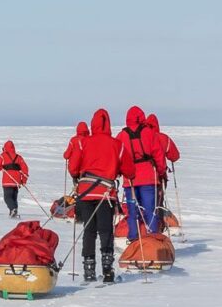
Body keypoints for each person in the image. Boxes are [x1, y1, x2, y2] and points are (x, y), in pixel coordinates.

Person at [67, 109, 134, 282]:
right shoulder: (117, 145)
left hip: (86, 192)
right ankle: (107, 270)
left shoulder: (83, 143)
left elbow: (73, 167)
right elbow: (129, 170)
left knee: (89, 231)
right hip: (106, 194)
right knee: (106, 231)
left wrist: (79, 176)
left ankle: (88, 270)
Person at [117, 106, 166, 241]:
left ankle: (133, 238)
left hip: (130, 180)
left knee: (132, 211)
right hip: (149, 179)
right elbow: (159, 155)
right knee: (150, 210)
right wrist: (161, 171)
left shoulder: (121, 136)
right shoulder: (150, 133)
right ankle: (153, 239)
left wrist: (118, 172)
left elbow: (118, 156)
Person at [0, 140, 30, 218]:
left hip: (7, 181)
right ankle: (13, 212)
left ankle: (13, 210)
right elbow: (25, 169)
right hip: (16, 182)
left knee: (7, 197)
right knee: (13, 197)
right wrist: (23, 180)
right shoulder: (19, 157)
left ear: (5, 148)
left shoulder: (3, 155)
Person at [62, 122, 90, 186]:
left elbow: (67, 155)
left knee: (77, 185)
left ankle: (76, 190)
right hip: (86, 170)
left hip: (74, 169)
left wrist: (65, 155)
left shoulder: (73, 140)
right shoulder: (89, 140)